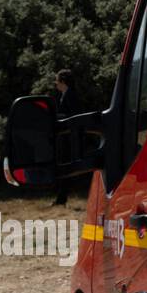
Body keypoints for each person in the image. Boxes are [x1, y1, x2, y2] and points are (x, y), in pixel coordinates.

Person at [53, 69, 80, 206]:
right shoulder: (65, 94)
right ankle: (61, 197)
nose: (55, 83)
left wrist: (58, 118)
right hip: (65, 136)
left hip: (69, 137)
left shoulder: (70, 95)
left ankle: (61, 198)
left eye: (57, 80)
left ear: (63, 81)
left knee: (65, 166)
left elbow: (73, 115)